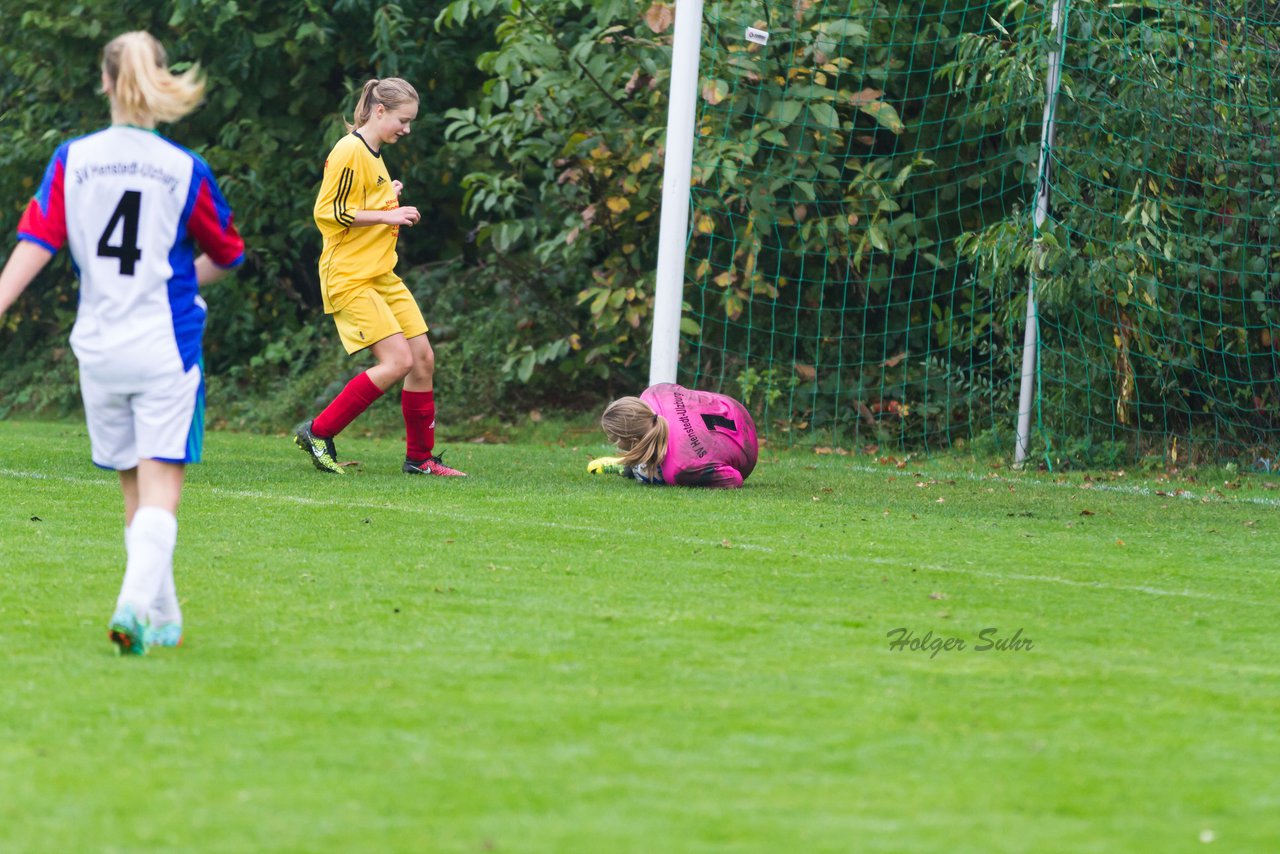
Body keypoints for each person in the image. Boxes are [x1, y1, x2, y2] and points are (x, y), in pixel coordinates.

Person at [0, 31, 245, 654]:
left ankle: (164, 620)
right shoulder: (183, 168)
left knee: (134, 488)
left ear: (105, 82)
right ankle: (133, 605)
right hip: (166, 346)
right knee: (163, 485)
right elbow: (227, 254)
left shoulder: (72, 160)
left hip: (99, 350)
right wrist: (184, 276)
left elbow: (35, 247)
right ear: (158, 78)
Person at [292, 78, 465, 477]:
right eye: (403, 120)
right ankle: (318, 432)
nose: (407, 129)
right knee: (398, 361)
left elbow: (359, 203)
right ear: (379, 110)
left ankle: (420, 459)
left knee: (422, 360)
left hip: (381, 273)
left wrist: (389, 197)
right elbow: (329, 212)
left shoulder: (374, 154)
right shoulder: (350, 149)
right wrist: (389, 214)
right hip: (350, 276)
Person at [592, 383, 759, 488]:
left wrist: (696, 478)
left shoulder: (679, 467)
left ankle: (629, 468)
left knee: (650, 475)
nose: (610, 440)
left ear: (634, 441)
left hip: (746, 450)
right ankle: (630, 464)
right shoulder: (655, 392)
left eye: (614, 437)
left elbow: (734, 479)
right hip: (732, 407)